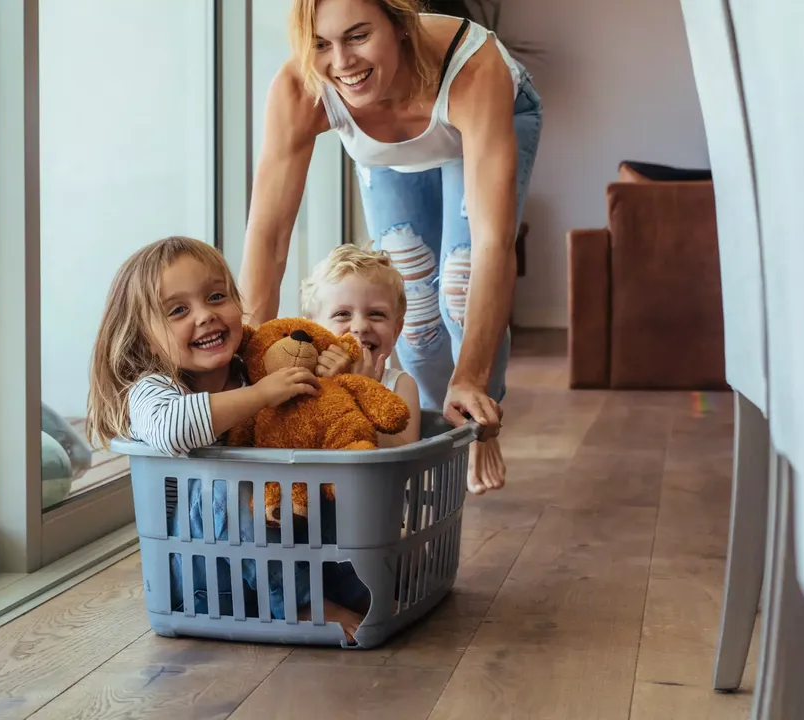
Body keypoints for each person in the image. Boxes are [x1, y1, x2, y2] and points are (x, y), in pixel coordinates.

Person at [238, 0, 543, 494]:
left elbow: (493, 242)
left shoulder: (472, 65)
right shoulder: (302, 87)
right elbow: (269, 235)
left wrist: (471, 378)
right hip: (391, 154)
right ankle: (417, 441)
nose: (342, 62)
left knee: (459, 285)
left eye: (358, 36)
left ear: (400, 25)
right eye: (321, 44)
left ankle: (476, 416)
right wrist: (249, 369)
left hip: (480, 114)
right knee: (414, 314)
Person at [87, 235, 366, 643]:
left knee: (317, 483)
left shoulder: (254, 369)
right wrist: (262, 394)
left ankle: (359, 590)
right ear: (143, 337)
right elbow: (172, 429)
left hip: (277, 561)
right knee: (228, 481)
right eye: (178, 310)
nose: (205, 316)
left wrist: (330, 377)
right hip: (204, 578)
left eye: (217, 297)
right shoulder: (153, 389)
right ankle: (303, 604)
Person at [301, 243, 421, 448]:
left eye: (376, 314)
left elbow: (404, 455)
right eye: (342, 314)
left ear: (396, 330)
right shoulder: (303, 379)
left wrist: (361, 390)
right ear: (313, 329)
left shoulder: (400, 386)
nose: (360, 327)